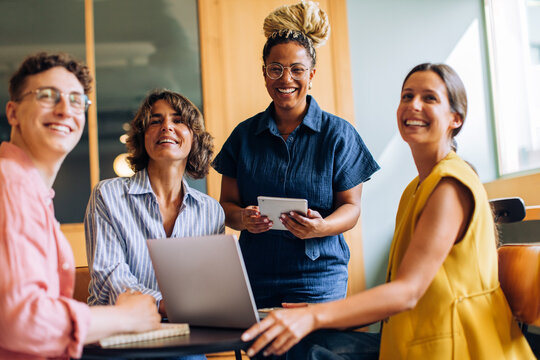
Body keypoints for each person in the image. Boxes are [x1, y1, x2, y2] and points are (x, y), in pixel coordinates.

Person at [241, 63, 535, 359]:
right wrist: (319, 312)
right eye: (407, 96)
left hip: (458, 347)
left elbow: (406, 293)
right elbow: (396, 297)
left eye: (429, 98)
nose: (413, 105)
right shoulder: (415, 189)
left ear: (455, 119)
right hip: (413, 338)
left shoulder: (450, 187)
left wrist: (314, 317)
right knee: (298, 347)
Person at [212, 1, 379, 309]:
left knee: (313, 354)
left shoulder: (338, 135)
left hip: (318, 275)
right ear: (264, 74)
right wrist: (244, 219)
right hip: (255, 272)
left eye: (297, 70)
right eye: (276, 69)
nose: (285, 79)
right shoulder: (243, 136)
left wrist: (322, 227)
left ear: (311, 74)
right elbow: (226, 207)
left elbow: (351, 208)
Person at [0, 52, 161, 359]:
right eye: (48, 96)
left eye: (76, 100)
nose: (65, 110)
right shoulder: (11, 184)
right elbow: (22, 322)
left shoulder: (30, 191)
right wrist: (125, 318)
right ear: (13, 112)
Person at [85, 89, 224, 318]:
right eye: (155, 121)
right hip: (120, 330)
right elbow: (110, 277)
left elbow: (209, 284)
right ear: (142, 137)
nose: (167, 126)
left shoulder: (211, 211)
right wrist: (165, 305)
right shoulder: (107, 195)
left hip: (186, 331)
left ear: (194, 138)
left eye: (178, 121)